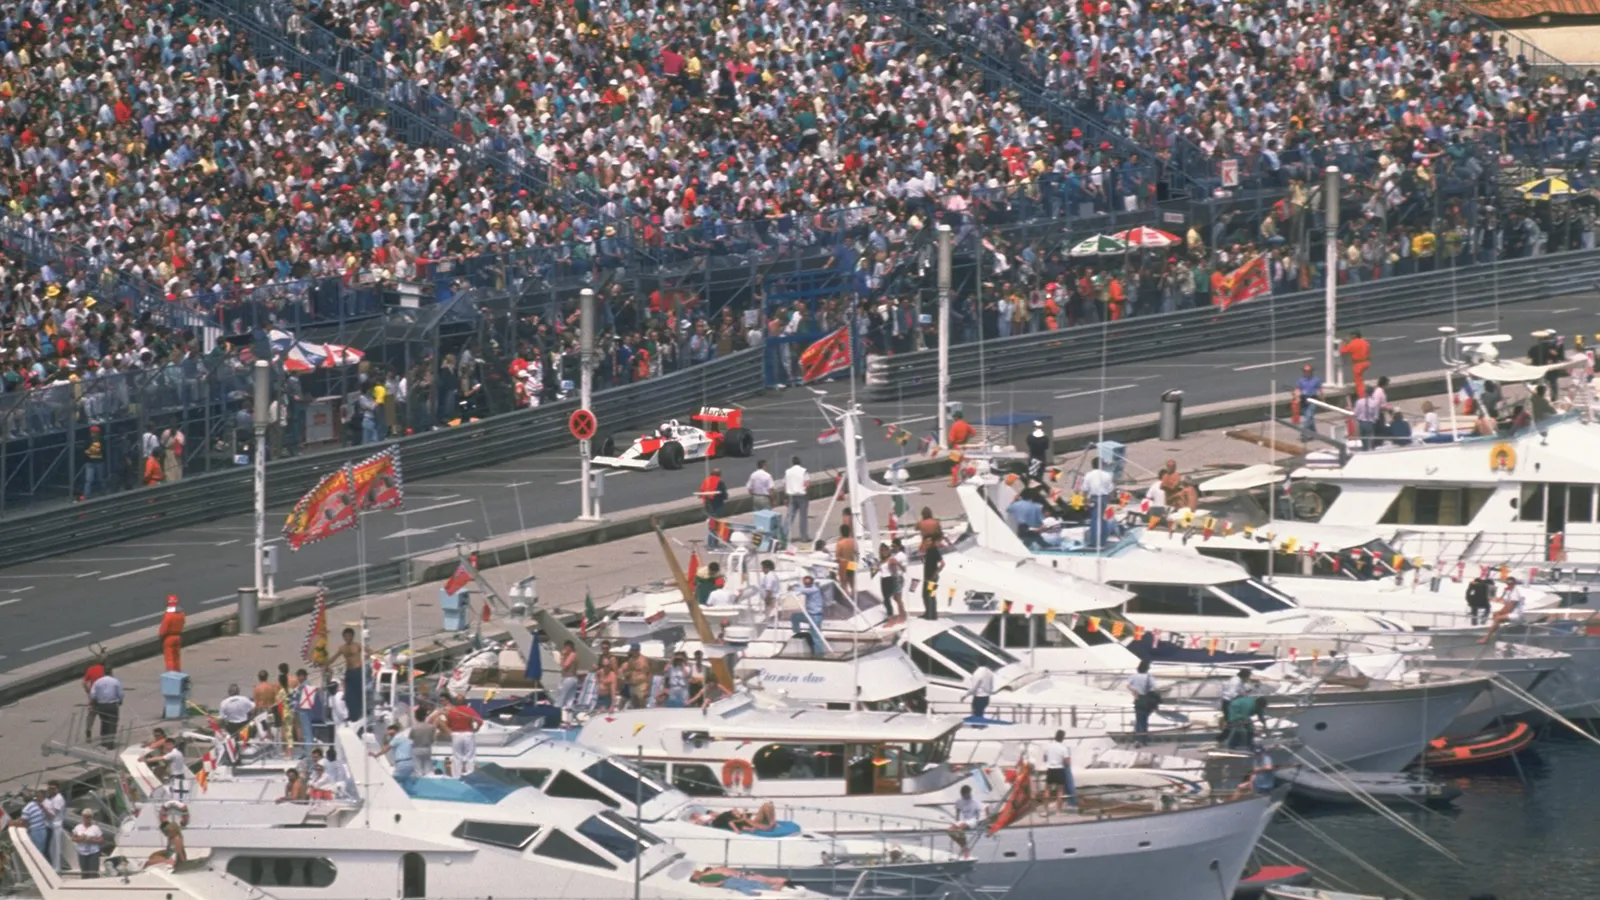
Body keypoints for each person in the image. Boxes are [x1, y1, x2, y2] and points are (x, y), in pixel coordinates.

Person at [444, 696, 484, 775]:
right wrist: (476, 728)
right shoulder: (469, 710)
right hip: (468, 734)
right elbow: (480, 721)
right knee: (469, 756)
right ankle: (470, 775)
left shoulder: (451, 711)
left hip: (456, 734)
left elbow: (448, 724)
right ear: (465, 702)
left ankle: (457, 776)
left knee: (457, 757)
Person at [918, 507, 946, 620]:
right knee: (927, 595)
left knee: (930, 595)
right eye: (926, 541)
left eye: (928, 541)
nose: (927, 542)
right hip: (928, 575)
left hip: (932, 576)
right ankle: (929, 613)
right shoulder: (929, 551)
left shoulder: (934, 551)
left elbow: (943, 563)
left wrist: (936, 573)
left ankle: (931, 615)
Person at [87, 665, 124, 748]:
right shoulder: (115, 681)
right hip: (112, 705)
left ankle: (104, 740)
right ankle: (110, 742)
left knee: (104, 722)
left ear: (103, 672)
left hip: (101, 705)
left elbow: (93, 695)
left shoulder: (98, 682)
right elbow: (120, 694)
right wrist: (120, 701)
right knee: (112, 723)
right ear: (111, 672)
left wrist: (94, 702)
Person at [1042, 730, 1077, 814]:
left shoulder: (1048, 746)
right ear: (1063, 738)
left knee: (1047, 790)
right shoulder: (1063, 748)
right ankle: (1058, 811)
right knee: (1060, 791)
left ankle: (1046, 810)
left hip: (1050, 769)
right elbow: (1067, 762)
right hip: (1059, 769)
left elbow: (1044, 758)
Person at [793, 575, 827, 656]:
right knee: (795, 617)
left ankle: (819, 654)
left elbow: (802, 590)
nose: (806, 585)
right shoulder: (812, 588)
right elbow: (803, 589)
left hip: (815, 616)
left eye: (807, 584)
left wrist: (793, 588)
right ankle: (797, 633)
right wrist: (797, 586)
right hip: (810, 615)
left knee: (816, 636)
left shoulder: (813, 590)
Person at [1128, 660, 1159, 747]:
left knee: (1139, 719)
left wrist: (1135, 693)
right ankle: (1143, 740)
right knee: (1144, 720)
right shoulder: (1149, 677)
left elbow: (1128, 686)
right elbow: (1155, 688)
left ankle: (1138, 739)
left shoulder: (1133, 676)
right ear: (1147, 668)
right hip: (1146, 699)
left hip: (1138, 699)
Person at [337, 628, 365, 723]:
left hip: (357, 671)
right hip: (349, 672)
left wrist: (368, 655)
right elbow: (334, 657)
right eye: (345, 636)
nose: (347, 638)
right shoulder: (342, 648)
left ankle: (358, 714)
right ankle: (351, 715)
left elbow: (369, 650)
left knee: (358, 694)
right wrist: (326, 664)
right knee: (349, 696)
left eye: (349, 636)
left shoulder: (357, 646)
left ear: (352, 636)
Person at [949, 784, 985, 856]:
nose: (966, 795)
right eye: (964, 795)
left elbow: (984, 810)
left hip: (973, 820)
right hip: (964, 820)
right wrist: (957, 821)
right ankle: (963, 846)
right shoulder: (959, 801)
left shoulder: (975, 801)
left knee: (960, 828)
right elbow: (958, 810)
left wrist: (983, 821)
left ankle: (965, 848)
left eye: (967, 793)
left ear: (969, 792)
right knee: (950, 830)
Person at [783, 456, 811, 544]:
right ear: (800, 462)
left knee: (790, 516)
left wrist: (786, 497)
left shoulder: (787, 472)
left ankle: (784, 535)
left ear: (792, 463)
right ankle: (804, 536)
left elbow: (785, 484)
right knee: (803, 517)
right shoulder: (804, 471)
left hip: (791, 496)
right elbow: (807, 484)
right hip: (802, 496)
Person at [70, 809, 103, 878]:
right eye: (85, 817)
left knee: (93, 873)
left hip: (93, 852)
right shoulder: (78, 827)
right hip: (82, 853)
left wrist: (92, 840)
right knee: (84, 873)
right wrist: (80, 839)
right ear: (82, 817)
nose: (87, 819)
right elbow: (73, 838)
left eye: (89, 817)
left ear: (91, 817)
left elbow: (101, 839)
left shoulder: (95, 828)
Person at [42, 781, 67, 872]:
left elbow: (52, 814)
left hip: (56, 826)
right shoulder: (50, 798)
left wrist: (42, 808)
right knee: (50, 848)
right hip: (49, 826)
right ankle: (51, 866)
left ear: (58, 789)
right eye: (49, 788)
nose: (51, 790)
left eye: (53, 788)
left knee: (56, 849)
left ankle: (56, 869)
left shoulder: (58, 798)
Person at [1294, 363, 1323, 438]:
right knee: (1309, 417)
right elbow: (1297, 389)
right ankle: (1314, 433)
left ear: (1311, 372)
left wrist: (1322, 399)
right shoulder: (1301, 380)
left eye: (1308, 371)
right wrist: (1297, 397)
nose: (1307, 372)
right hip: (1304, 400)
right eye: (1305, 371)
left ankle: (1303, 434)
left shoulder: (1316, 380)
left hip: (1313, 400)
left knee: (1308, 416)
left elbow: (1319, 390)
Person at [159, 595, 185, 672]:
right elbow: (183, 622)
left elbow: (164, 628)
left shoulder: (169, 615)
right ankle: (178, 672)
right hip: (178, 636)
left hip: (169, 638)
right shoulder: (181, 614)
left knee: (169, 658)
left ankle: (171, 674)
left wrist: (161, 635)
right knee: (177, 657)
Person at [1341, 331, 1372, 397]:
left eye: (1351, 335)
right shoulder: (1365, 342)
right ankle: (1363, 392)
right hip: (1366, 362)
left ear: (1354, 335)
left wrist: (1345, 343)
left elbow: (1343, 351)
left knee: (1358, 381)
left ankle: (1362, 396)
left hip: (1358, 364)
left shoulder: (1353, 343)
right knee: (1360, 378)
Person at [411, 706, 438, 777]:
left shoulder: (414, 727)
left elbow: (410, 738)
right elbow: (432, 739)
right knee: (428, 769)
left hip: (416, 748)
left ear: (416, 717)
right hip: (427, 748)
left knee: (418, 770)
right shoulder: (430, 727)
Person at [556, 641, 581, 711]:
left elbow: (565, 665)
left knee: (561, 696)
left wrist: (563, 656)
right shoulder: (572, 655)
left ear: (569, 647)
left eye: (565, 647)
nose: (564, 649)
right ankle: (567, 715)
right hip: (571, 678)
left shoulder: (572, 655)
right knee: (569, 699)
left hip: (568, 678)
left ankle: (557, 711)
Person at [835, 524, 858, 591]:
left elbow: (837, 555)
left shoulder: (840, 543)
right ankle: (854, 595)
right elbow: (856, 553)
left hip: (843, 563)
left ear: (841, 532)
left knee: (844, 582)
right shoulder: (853, 542)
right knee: (852, 581)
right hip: (852, 562)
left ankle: (845, 598)